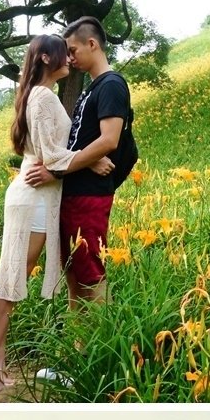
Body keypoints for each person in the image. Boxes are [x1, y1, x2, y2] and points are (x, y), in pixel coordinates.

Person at [0, 34, 114, 395]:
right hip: (33, 199)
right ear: (47, 57)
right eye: (65, 52)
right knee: (12, 281)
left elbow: (53, 151)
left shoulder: (36, 94)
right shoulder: (43, 96)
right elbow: (50, 155)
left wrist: (80, 159)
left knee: (15, 279)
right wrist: (93, 159)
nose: (71, 57)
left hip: (35, 197)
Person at [24, 16, 131, 307]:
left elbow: (110, 140)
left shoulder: (111, 85)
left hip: (89, 193)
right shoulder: (91, 89)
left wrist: (56, 171)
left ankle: (103, 345)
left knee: (90, 270)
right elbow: (76, 142)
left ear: (92, 44)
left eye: (72, 50)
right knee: (74, 270)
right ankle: (79, 346)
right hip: (75, 190)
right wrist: (68, 169)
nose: (68, 57)